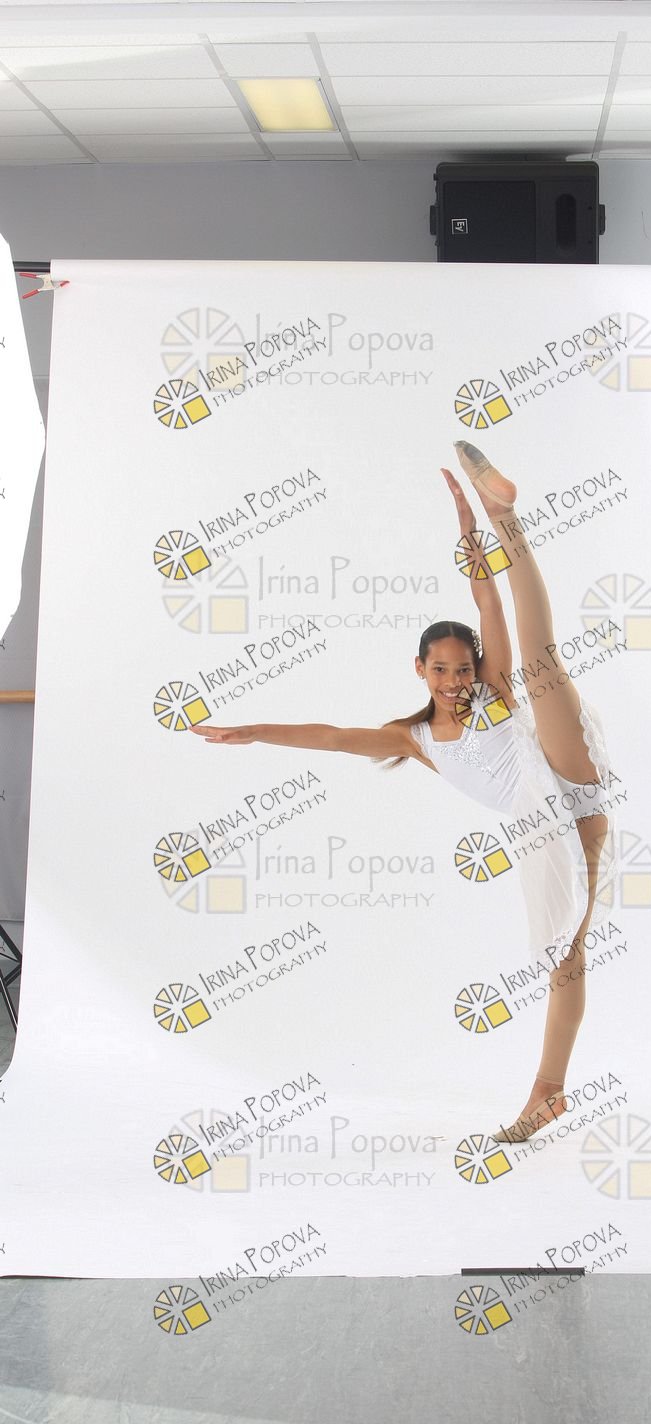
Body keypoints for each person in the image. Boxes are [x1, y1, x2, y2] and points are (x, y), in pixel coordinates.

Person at [191, 442, 619, 1144]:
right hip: (549, 827)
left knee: (541, 659)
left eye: (463, 668)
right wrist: (258, 731)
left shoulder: (493, 691)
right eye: (441, 670)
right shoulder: (415, 740)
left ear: (476, 667)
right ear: (420, 669)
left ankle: (506, 515)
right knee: (564, 960)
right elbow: (335, 737)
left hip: (564, 771)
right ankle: (549, 1094)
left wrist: (471, 528)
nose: (454, 681)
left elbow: (487, 600)